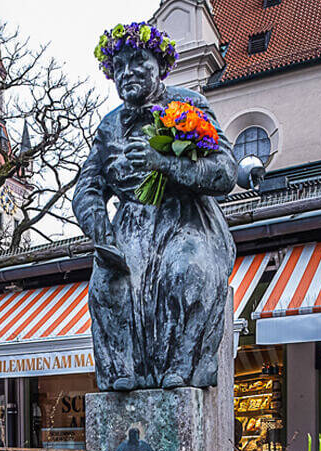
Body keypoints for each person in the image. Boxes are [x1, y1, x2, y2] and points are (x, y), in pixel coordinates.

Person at [73, 22, 236, 392]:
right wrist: (101, 232)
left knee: (187, 270)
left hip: (186, 220)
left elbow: (225, 173)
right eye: (119, 67)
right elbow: (87, 186)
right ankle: (123, 372)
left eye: (137, 62)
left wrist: (163, 163)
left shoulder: (188, 105)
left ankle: (182, 366)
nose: (127, 72)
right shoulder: (109, 126)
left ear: (159, 65)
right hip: (130, 225)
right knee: (107, 282)